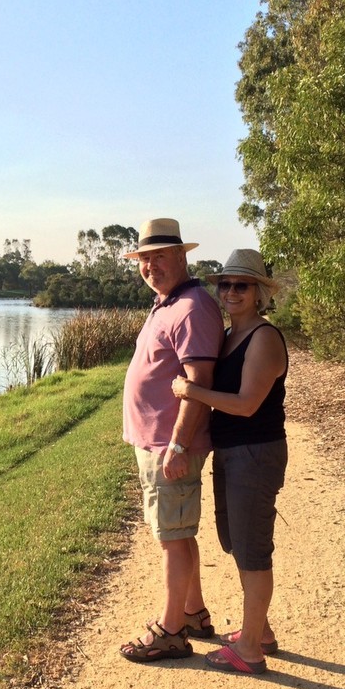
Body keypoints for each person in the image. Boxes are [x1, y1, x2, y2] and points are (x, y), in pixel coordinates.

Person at [171, 247, 288, 675]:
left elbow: (245, 404)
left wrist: (191, 391)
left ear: (259, 293)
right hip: (234, 453)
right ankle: (261, 631)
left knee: (253, 549)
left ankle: (252, 651)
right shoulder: (229, 334)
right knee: (237, 541)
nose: (232, 291)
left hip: (255, 453)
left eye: (242, 285)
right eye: (226, 284)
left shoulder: (264, 337)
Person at [118, 218, 225, 662]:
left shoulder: (193, 307)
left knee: (173, 538)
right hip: (158, 443)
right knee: (177, 533)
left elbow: (199, 381)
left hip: (170, 445)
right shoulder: (169, 302)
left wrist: (178, 445)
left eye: (159, 256)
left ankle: (170, 631)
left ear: (182, 256)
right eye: (144, 259)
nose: (150, 266)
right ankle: (194, 613)